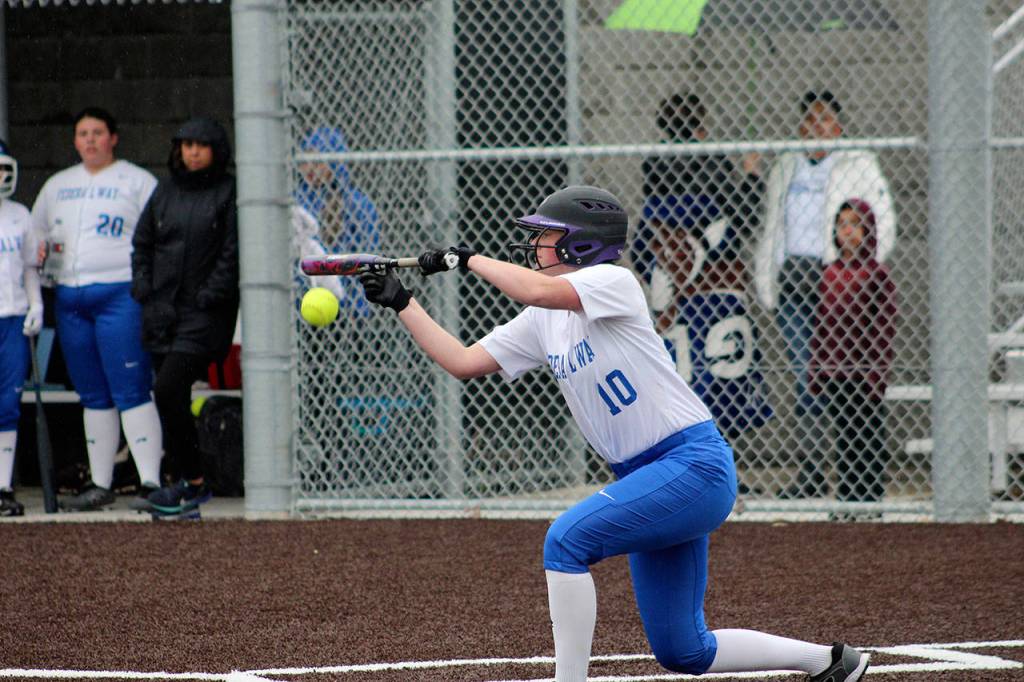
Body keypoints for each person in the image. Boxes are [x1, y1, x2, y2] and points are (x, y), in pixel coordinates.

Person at [357, 185, 870, 682]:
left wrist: (465, 259)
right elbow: (463, 361)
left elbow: (535, 286)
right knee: (684, 649)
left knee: (566, 540)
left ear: (580, 243)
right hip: (650, 478)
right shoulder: (542, 319)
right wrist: (403, 302)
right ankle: (828, 661)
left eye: (546, 234)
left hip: (692, 465)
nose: (535, 243)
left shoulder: (612, 280)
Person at [752, 90, 896, 498]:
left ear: (839, 125)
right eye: (809, 120)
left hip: (837, 280)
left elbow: (882, 219)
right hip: (793, 275)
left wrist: (859, 271)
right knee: (805, 377)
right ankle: (813, 471)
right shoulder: (786, 165)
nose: (816, 127)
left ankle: (853, 475)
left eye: (825, 120)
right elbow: (769, 222)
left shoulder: (857, 163)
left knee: (842, 379)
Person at [31, 107, 164, 511]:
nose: (89, 140)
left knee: (131, 387)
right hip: (70, 297)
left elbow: (160, 235)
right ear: (74, 140)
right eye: (82, 133)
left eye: (97, 132)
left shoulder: (137, 181)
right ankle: (101, 482)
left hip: (118, 293)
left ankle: (150, 481)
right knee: (92, 394)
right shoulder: (58, 184)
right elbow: (34, 231)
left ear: (113, 138)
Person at [129, 116, 239, 519]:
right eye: (185, 145)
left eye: (200, 145)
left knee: (169, 388)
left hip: (204, 315)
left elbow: (232, 252)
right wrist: (143, 286)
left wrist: (212, 294)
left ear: (216, 150)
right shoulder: (165, 190)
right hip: (161, 313)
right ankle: (185, 486)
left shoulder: (228, 191)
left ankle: (193, 481)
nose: (192, 152)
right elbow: (142, 244)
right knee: (170, 397)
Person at [809, 200, 897, 512]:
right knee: (844, 437)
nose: (847, 231)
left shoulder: (876, 274)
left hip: (864, 372)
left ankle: (870, 500)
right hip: (836, 371)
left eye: (855, 224)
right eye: (842, 224)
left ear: (868, 230)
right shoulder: (829, 273)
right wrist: (816, 368)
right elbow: (820, 324)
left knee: (868, 436)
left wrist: (876, 373)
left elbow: (883, 328)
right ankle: (848, 499)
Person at [295, 126, 380, 317]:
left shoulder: (357, 204)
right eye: (305, 161)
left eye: (318, 161)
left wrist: (358, 306)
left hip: (349, 305)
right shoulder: (297, 202)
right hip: (305, 301)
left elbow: (367, 256)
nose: (310, 168)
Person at [0, 139, 41, 516]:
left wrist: (37, 304)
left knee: (8, 404)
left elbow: (30, 266)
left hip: (11, 316)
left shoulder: (20, 215)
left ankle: (3, 484)